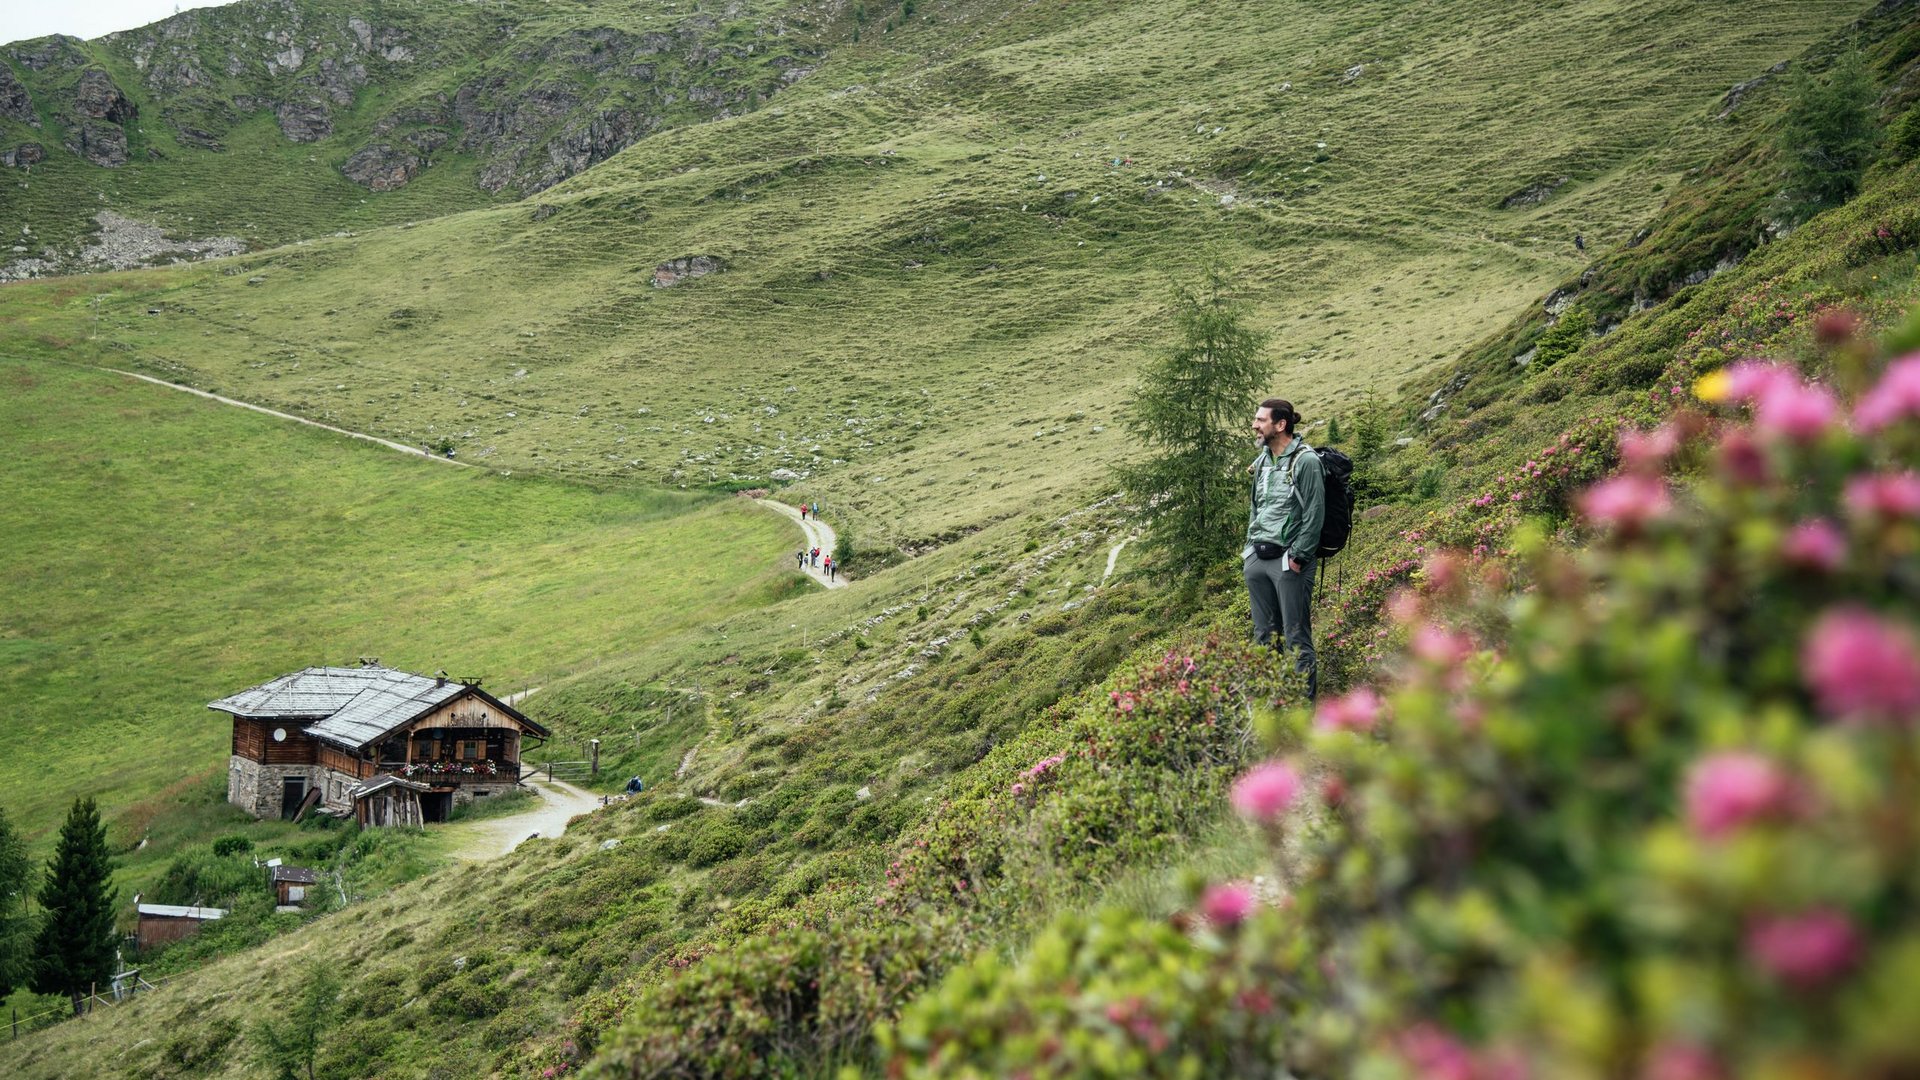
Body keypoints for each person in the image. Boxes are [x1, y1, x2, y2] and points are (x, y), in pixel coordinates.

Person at [1244, 398, 1324, 699]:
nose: (1254, 425)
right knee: (1264, 637)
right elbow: (1256, 506)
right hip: (1258, 559)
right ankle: (1273, 712)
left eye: (1261, 420)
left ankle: (1303, 716)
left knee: (1296, 638)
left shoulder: (1306, 461)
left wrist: (1299, 557)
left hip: (1290, 562)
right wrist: (1249, 552)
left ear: (1281, 425)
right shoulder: (1262, 461)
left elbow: (1315, 514)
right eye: (1256, 419)